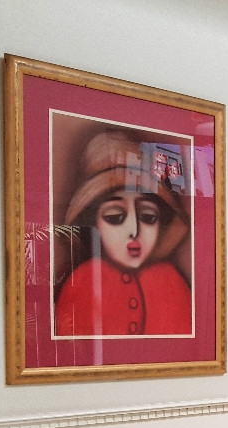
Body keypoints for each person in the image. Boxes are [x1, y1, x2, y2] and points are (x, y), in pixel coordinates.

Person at [54, 129, 192, 336]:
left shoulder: (173, 283)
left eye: (148, 217)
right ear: (94, 223)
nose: (134, 231)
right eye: (115, 216)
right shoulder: (81, 284)